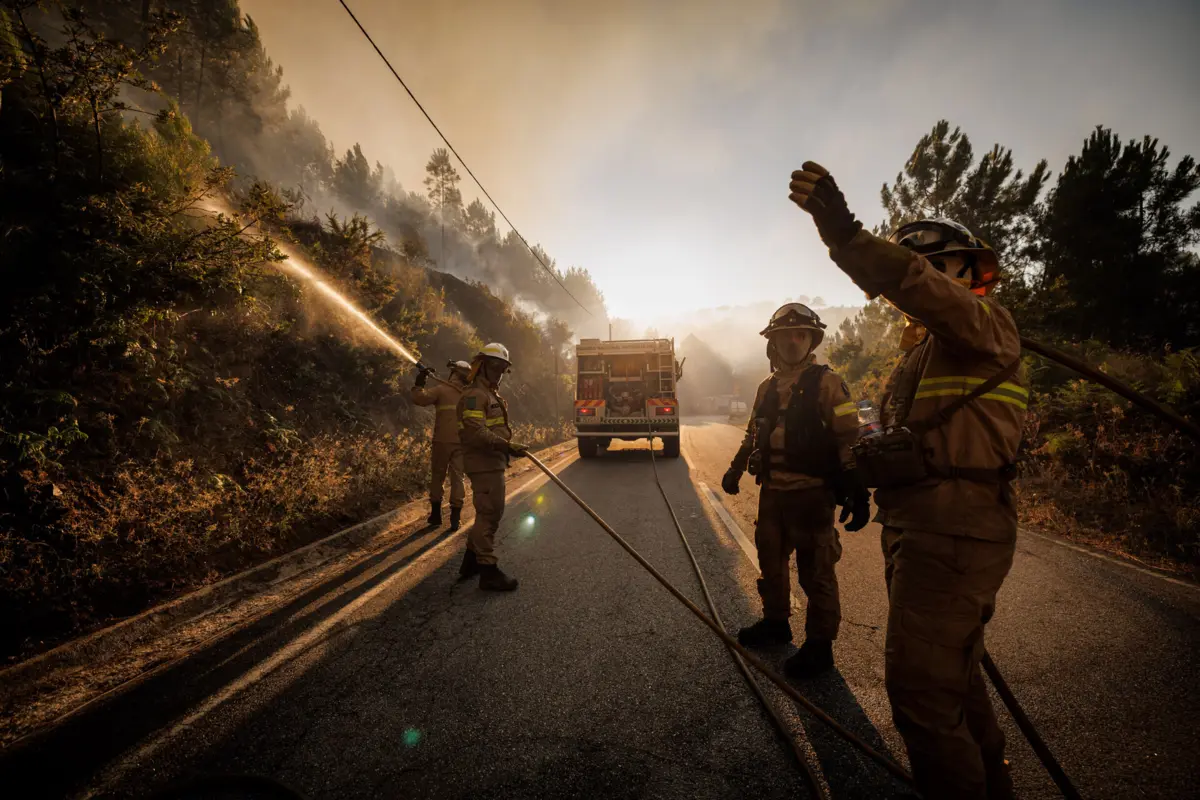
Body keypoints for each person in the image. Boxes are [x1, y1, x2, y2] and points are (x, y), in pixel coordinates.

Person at [788, 162, 1028, 800]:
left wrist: (844, 235)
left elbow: (914, 285)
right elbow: (899, 437)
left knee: (921, 696)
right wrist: (859, 470)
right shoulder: (924, 357)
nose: (916, 280)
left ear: (962, 271)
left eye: (928, 266)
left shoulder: (984, 325)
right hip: (921, 529)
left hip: (953, 531)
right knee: (954, 682)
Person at [722, 303, 871, 678]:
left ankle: (820, 647)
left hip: (812, 494)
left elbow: (848, 436)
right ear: (772, 343)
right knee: (770, 562)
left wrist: (855, 485)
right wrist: (735, 468)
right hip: (773, 492)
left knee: (815, 571)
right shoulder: (766, 387)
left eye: (800, 334)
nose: (792, 341)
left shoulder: (828, 383)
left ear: (811, 339)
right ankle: (776, 623)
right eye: (784, 335)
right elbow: (753, 434)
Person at [456, 342, 529, 590]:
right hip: (483, 464)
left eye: (502, 368)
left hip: (492, 462)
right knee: (490, 515)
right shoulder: (475, 395)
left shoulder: (489, 394)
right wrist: (506, 446)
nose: (499, 373)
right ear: (481, 366)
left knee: (486, 513)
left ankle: (470, 562)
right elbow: (476, 432)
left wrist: (506, 448)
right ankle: (488, 570)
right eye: (495, 366)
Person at [411, 360, 472, 531]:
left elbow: (419, 399)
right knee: (458, 478)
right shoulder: (470, 395)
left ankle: (436, 515)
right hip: (462, 442)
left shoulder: (441, 390)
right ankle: (455, 518)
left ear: (454, 373)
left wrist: (420, 382)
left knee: (438, 477)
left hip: (441, 441)